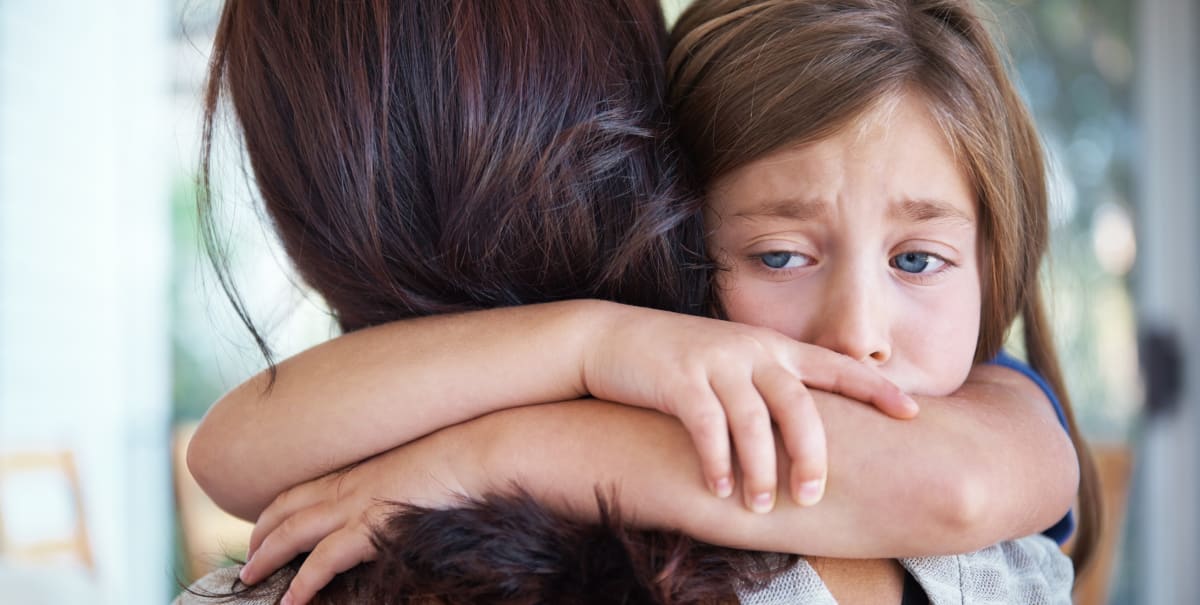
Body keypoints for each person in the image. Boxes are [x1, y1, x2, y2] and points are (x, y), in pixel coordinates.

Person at [182, 0, 1097, 603]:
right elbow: (229, 454)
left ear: (992, 260)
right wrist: (591, 340)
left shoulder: (991, 402)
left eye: (919, 259)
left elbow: (956, 486)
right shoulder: (669, 362)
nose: (858, 332)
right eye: (777, 254)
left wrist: (491, 450)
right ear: (683, 239)